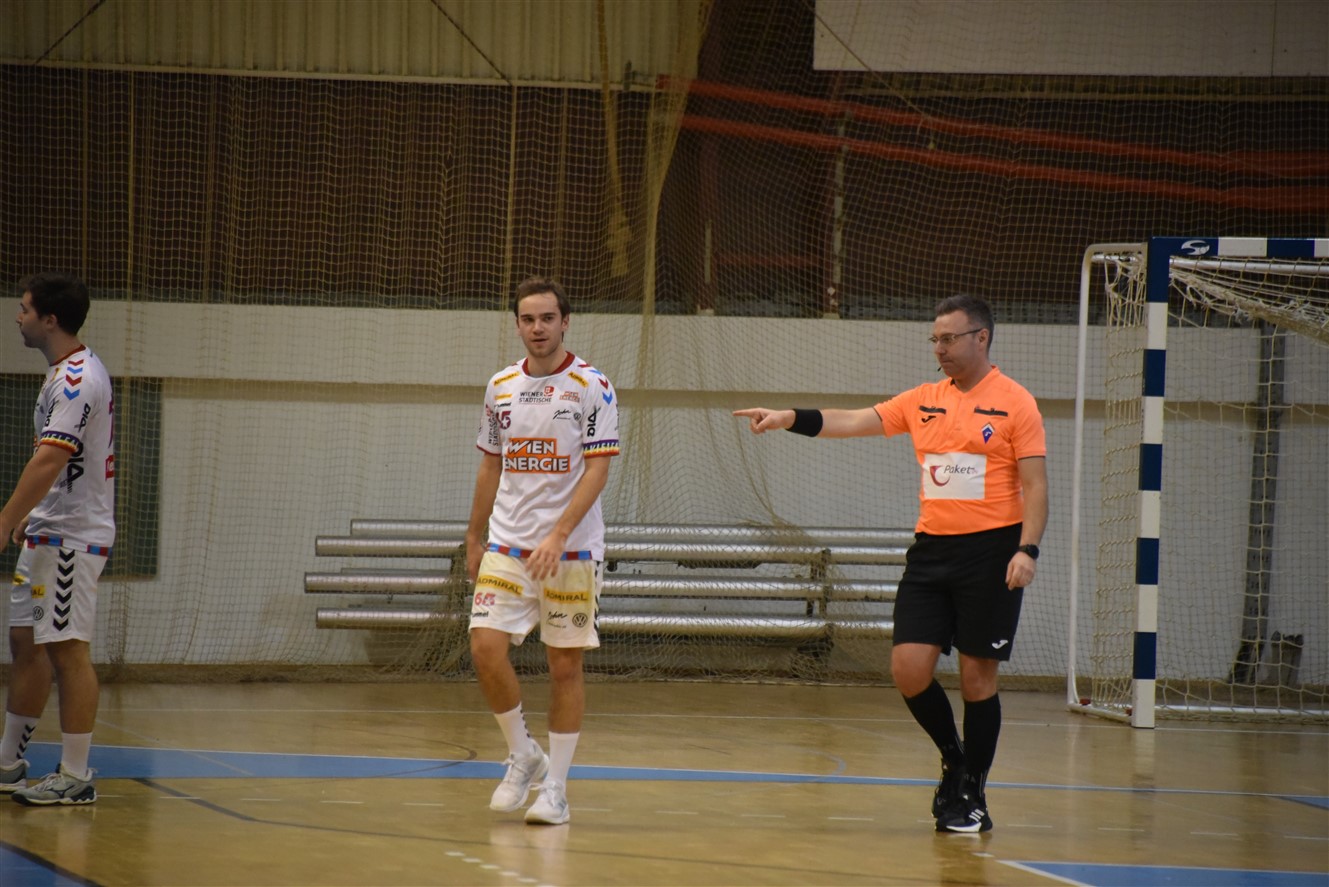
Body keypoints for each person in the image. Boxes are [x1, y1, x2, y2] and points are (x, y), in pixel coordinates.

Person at [734, 294, 1047, 834]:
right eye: (935, 339)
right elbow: (854, 420)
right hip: (931, 553)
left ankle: (972, 792)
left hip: (992, 554)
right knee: (908, 669)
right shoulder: (923, 399)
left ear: (981, 338)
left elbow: (1036, 486)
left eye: (949, 338)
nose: (939, 348)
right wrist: (788, 418)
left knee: (977, 678)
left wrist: (1027, 549)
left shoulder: (1017, 403)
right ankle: (954, 759)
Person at [464, 276, 620, 826]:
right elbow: (490, 464)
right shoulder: (500, 386)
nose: (538, 328)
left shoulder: (592, 385)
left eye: (547, 318)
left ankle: (556, 789)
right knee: (485, 647)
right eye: (528, 319)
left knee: (563, 666)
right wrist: (473, 536)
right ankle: (522, 753)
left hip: (570, 551)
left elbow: (598, 469)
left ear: (565, 322)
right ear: (517, 325)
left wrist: (558, 535)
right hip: (508, 544)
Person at [0, 273, 116, 806]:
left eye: (24, 309)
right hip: (50, 529)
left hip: (73, 538)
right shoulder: (60, 373)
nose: (18, 317)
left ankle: (75, 774)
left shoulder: (78, 379)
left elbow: (51, 458)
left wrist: (5, 519)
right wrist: (32, 514)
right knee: (25, 643)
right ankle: (8, 762)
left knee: (68, 650)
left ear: (50, 320)